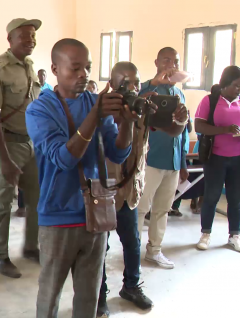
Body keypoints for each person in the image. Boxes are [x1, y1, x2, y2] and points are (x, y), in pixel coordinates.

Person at [27, 38, 135, 318]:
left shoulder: (94, 102)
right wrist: (95, 116)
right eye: (74, 68)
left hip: (94, 214)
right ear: (54, 69)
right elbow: (64, 158)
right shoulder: (40, 110)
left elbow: (118, 153)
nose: (83, 75)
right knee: (49, 295)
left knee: (88, 297)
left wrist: (128, 122)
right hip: (58, 216)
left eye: (86, 68)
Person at [0, 18, 42, 278]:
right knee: (2, 202)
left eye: (33, 35)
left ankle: (31, 246)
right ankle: (1, 256)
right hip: (7, 143)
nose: (31, 40)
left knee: (38, 197)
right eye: (25, 36)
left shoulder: (29, 66)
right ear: (10, 40)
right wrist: (4, 158)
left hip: (31, 143)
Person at [97, 62, 156, 317]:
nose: (133, 88)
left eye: (137, 82)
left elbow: (171, 128)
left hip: (129, 192)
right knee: (101, 247)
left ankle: (131, 286)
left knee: (132, 243)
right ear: (113, 84)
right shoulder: (100, 111)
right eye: (127, 82)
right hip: (103, 192)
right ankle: (99, 296)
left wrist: (175, 118)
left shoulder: (140, 110)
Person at [194, 66, 240, 253]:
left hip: (239, 159)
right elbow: (199, 125)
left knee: (235, 199)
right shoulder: (210, 101)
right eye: (236, 85)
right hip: (215, 158)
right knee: (211, 196)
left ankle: (234, 235)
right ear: (225, 83)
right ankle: (205, 234)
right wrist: (225, 130)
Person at [137, 47, 189, 269]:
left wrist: (184, 161)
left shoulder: (180, 94)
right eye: (167, 60)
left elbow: (184, 130)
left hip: (173, 161)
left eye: (175, 61)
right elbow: (134, 105)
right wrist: (153, 84)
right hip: (151, 159)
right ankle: (133, 250)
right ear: (156, 62)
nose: (171, 65)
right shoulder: (148, 90)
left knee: (162, 209)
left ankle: (154, 251)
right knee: (140, 208)